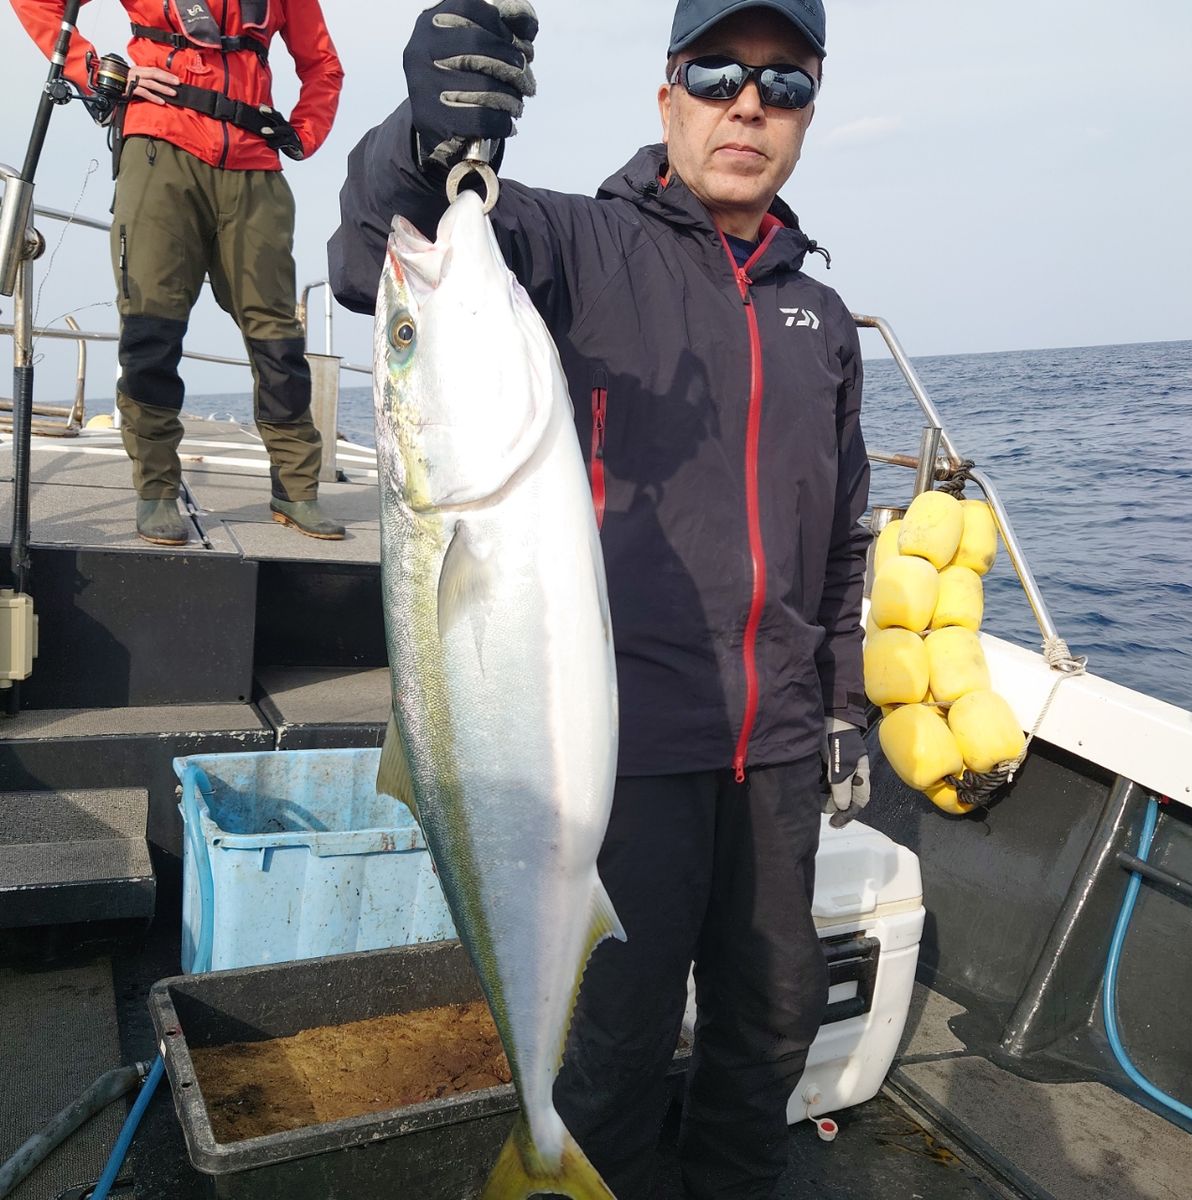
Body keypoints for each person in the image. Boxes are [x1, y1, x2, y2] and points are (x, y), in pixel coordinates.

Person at [329, 0, 872, 1195]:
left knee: (770, 1030)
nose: (749, 105)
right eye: (722, 71)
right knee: (615, 1050)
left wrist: (844, 708)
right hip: (617, 756)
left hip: (780, 751)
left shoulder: (822, 321)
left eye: (783, 85)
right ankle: (560, 1163)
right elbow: (379, 251)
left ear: (809, 112)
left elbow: (840, 549)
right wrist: (423, 131)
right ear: (668, 90)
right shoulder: (574, 248)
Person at [12, 0, 346, 544]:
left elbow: (322, 64)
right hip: (159, 151)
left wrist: (304, 132)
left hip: (255, 169)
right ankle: (158, 489)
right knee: (152, 329)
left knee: (278, 338)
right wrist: (95, 71)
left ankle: (296, 490)